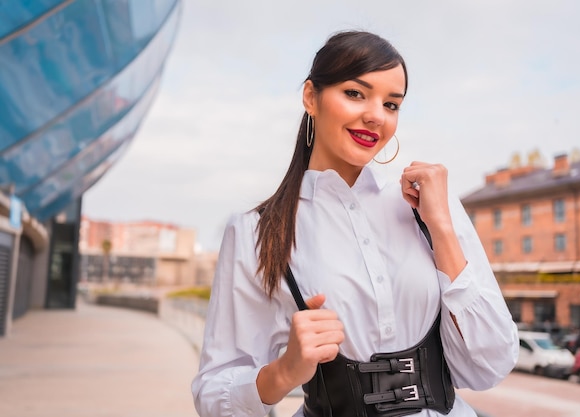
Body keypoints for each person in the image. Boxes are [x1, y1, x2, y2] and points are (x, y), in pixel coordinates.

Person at [192, 30, 519, 417]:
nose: (376, 115)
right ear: (311, 97)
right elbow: (215, 394)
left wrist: (442, 229)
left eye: (392, 104)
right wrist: (283, 372)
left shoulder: (428, 205)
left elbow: (490, 366)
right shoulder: (255, 233)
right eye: (355, 93)